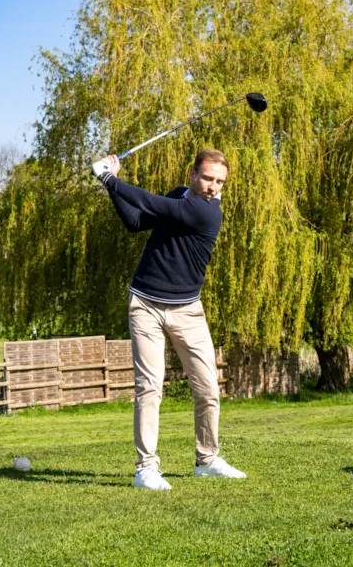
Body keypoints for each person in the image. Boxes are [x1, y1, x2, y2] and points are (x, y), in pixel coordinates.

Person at [94, 149, 246, 490]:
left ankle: (206, 459)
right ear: (192, 174)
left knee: (207, 387)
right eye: (208, 178)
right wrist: (110, 186)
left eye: (220, 182)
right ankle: (146, 468)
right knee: (149, 387)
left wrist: (109, 178)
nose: (213, 187)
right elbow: (136, 221)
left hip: (188, 311)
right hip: (145, 304)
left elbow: (150, 202)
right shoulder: (179, 195)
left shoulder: (206, 212)